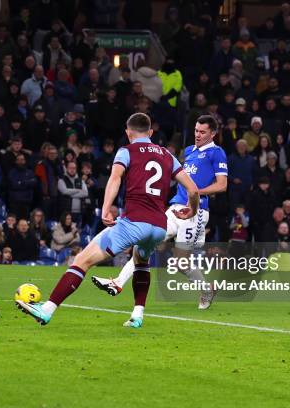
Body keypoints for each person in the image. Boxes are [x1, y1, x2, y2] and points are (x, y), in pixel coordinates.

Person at [15, 113, 199, 327]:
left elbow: (115, 177)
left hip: (133, 223)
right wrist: (191, 211)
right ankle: (137, 316)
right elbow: (193, 190)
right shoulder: (168, 155)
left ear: (128, 132)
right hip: (159, 226)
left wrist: (105, 209)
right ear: (150, 133)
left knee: (82, 260)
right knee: (141, 261)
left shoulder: (127, 151)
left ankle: (46, 309)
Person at [93, 115, 228, 310]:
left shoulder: (217, 153)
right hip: (175, 208)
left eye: (202, 132)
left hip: (195, 211)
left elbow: (222, 185)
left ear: (213, 133)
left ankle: (206, 289)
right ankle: (118, 283)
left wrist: (195, 193)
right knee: (145, 243)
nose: (197, 135)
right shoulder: (189, 151)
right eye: (196, 131)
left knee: (181, 262)